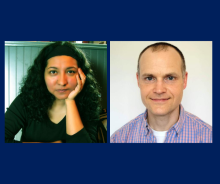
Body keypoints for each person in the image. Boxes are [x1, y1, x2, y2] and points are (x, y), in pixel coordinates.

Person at [110, 42, 212, 143]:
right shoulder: (118, 140)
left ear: (184, 80)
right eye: (149, 78)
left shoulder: (210, 138)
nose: (159, 90)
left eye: (170, 78)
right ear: (138, 81)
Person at [5, 41, 101, 143]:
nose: (62, 82)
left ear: (82, 76)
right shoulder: (24, 101)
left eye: (70, 71)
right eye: (53, 72)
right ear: (42, 75)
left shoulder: (89, 106)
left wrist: (70, 101)